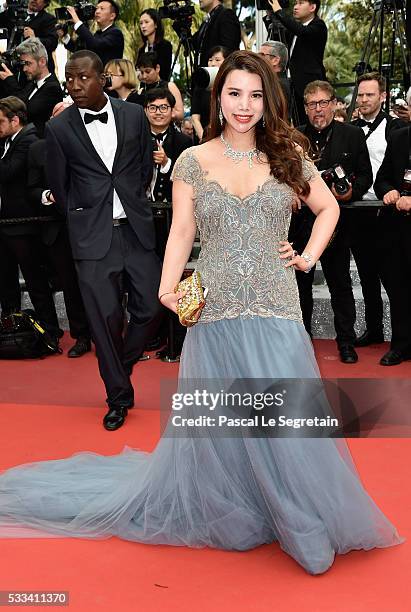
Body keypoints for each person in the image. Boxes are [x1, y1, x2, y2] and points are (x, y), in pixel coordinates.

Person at [0, 52, 402, 576]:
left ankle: (299, 514)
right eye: (235, 93)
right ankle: (245, 506)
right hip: (214, 309)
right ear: (219, 98)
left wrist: (307, 257)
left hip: (276, 305)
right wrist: (168, 287)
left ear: (269, 100)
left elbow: (328, 208)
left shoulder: (287, 154)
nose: (245, 105)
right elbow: (183, 230)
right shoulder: (193, 160)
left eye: (256, 95)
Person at [45, 50, 162, 430]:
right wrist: (85, 216)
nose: (75, 85)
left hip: (135, 228)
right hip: (92, 238)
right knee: (105, 319)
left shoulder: (133, 114)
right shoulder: (58, 129)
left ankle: (119, 363)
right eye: (69, 78)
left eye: (83, 78)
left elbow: (144, 166)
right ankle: (118, 395)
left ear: (104, 79)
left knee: (150, 308)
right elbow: (60, 188)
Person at [292, 80, 373, 363]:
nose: (318, 110)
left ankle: (346, 342)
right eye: (312, 104)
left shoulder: (351, 135)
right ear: (305, 108)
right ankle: (301, 343)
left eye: (323, 103)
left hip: (339, 224)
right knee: (300, 287)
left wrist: (353, 192)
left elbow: (365, 175)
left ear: (334, 103)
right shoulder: (294, 137)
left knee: (340, 285)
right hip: (301, 225)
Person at [351, 72, 406, 349]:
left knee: (393, 278)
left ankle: (400, 338)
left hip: (387, 211)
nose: (363, 100)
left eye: (369, 94)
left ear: (383, 97)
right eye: (360, 95)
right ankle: (373, 330)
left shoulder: (396, 129)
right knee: (366, 275)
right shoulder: (350, 128)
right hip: (357, 210)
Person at [0, 96, 61, 340]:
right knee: (6, 282)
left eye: (1, 121)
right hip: (6, 224)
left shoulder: (29, 140)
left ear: (15, 120)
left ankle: (50, 328)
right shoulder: (7, 141)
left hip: (24, 224)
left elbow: (8, 172)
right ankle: (10, 327)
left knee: (35, 281)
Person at [27, 131, 92, 358]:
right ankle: (82, 337)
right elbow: (32, 188)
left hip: (94, 225)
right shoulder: (38, 150)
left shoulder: (91, 141)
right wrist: (49, 195)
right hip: (58, 228)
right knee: (70, 286)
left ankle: (108, 335)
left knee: (100, 282)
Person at [374, 125, 411, 365]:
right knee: (399, 291)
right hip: (399, 233)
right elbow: (381, 179)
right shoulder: (399, 138)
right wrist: (389, 191)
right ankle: (400, 345)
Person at [267, 0, 327, 124]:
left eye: (300, 3)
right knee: (297, 124)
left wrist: (280, 11)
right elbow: (279, 36)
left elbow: (301, 31)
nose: (295, 7)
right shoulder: (295, 29)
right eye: (295, 4)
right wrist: (272, 14)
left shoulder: (318, 26)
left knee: (310, 123)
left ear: (312, 7)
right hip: (293, 84)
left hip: (310, 85)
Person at [0, 37, 63, 137]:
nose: (24, 69)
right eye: (23, 64)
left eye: (28, 64)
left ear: (42, 62)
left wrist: (10, 81)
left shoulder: (52, 87)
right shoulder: (31, 84)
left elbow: (25, 110)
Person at [144, 88, 192, 203]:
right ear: (145, 111)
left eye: (164, 108)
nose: (158, 112)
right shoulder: (135, 139)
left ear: (172, 111)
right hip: (140, 209)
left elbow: (187, 181)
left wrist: (166, 163)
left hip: (171, 209)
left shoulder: (184, 142)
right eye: (152, 108)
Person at [58, 0, 124, 67]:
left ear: (112, 16)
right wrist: (64, 36)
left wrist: (77, 21)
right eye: (97, 8)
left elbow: (95, 45)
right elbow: (81, 51)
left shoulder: (116, 33)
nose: (97, 11)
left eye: (102, 9)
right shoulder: (98, 33)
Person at [0, 0, 58, 72]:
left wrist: (35, 39)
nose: (34, 0)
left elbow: (53, 43)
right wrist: (5, 5)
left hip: (35, 69)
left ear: (45, 3)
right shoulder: (12, 13)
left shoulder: (49, 19)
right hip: (12, 67)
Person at [191, 45, 229, 142]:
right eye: (210, 60)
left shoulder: (231, 85)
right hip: (203, 139)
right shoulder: (200, 86)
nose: (212, 64)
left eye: (217, 60)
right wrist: (203, 137)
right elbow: (195, 117)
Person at [135, 51, 184, 121]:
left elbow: (180, 114)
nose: (144, 76)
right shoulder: (141, 90)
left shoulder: (169, 86)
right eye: (142, 72)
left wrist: (159, 113)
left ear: (157, 68)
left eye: (148, 71)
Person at [193, 0, 241, 69]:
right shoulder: (206, 22)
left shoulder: (226, 15)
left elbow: (230, 52)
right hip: (204, 76)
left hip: (219, 76)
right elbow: (192, 45)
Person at [137, 8, 172, 82]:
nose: (143, 26)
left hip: (160, 89)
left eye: (146, 22)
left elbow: (165, 73)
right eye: (141, 23)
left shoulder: (165, 46)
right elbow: (138, 72)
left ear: (156, 24)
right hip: (144, 90)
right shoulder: (142, 50)